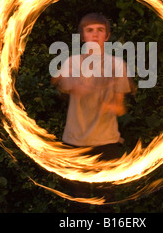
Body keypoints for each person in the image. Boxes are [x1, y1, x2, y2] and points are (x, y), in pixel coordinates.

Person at [51, 12, 135, 211]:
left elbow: (120, 107)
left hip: (107, 143)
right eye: (90, 31)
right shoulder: (72, 63)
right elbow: (57, 81)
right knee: (77, 202)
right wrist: (74, 84)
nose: (95, 35)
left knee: (106, 202)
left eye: (100, 30)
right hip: (75, 143)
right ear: (83, 36)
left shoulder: (118, 66)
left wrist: (110, 106)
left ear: (107, 36)